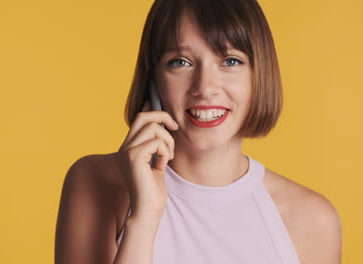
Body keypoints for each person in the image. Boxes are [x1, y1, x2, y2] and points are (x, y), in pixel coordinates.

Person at [54, 0, 342, 263]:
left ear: (260, 75)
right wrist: (144, 218)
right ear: (153, 81)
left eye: (231, 61)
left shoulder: (314, 220)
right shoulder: (96, 182)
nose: (204, 87)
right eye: (181, 62)